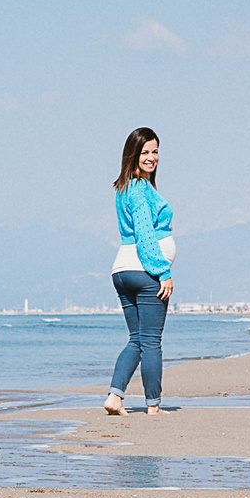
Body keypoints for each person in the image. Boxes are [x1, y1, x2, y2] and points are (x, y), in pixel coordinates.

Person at [104, 128, 173, 415]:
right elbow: (145, 234)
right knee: (151, 342)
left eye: (155, 151)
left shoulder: (124, 186)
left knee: (137, 339)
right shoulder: (140, 188)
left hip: (122, 270)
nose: (151, 157)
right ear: (133, 154)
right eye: (145, 152)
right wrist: (162, 271)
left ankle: (115, 397)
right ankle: (153, 406)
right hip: (144, 271)